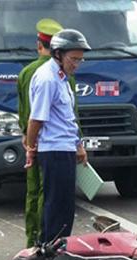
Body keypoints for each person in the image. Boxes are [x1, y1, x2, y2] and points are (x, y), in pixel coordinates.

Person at [25, 29, 90, 243]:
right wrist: (30, 147)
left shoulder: (62, 78)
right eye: (73, 59)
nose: (76, 64)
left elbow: (66, 118)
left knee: (65, 206)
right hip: (53, 150)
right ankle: (50, 252)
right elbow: (36, 119)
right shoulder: (47, 79)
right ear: (58, 54)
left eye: (80, 60)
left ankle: (59, 248)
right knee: (56, 206)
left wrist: (78, 144)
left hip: (64, 148)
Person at [17, 18, 64, 248]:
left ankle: (32, 241)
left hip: (33, 141)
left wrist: (28, 140)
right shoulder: (62, 74)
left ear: (39, 44)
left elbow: (24, 113)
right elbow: (70, 113)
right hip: (55, 145)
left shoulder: (27, 73)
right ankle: (49, 242)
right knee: (52, 194)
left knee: (34, 192)